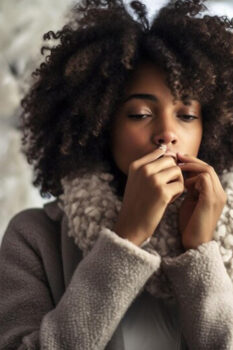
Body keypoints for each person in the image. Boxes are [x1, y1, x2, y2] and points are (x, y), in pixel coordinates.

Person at [0, 0, 233, 348]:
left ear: (209, 129)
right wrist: (126, 238)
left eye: (186, 115)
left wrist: (201, 250)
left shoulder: (227, 240)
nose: (167, 132)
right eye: (140, 113)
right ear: (99, 124)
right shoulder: (33, 237)